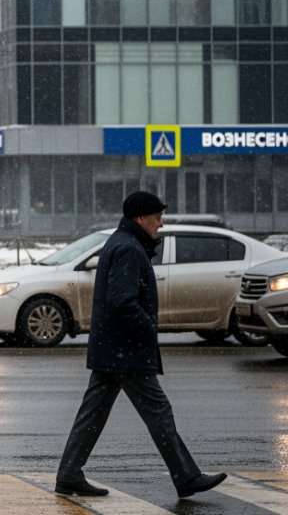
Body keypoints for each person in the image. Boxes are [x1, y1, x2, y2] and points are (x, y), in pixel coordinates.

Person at [56, 191, 226, 499]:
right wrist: (147, 329)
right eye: (157, 217)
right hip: (125, 349)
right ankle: (186, 477)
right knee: (158, 411)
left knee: (92, 414)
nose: (161, 223)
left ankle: (69, 474)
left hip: (113, 347)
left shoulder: (124, 242)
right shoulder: (129, 249)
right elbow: (122, 302)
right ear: (140, 218)